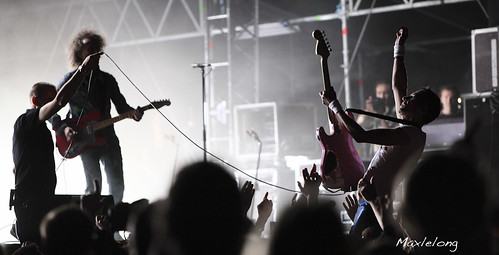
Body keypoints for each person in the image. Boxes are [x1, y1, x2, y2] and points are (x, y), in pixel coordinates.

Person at [319, 27, 441, 236]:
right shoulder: (410, 128)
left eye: (411, 98)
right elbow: (397, 85)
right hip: (369, 200)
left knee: (358, 244)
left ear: (422, 111)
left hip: (373, 203)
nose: (404, 98)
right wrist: (398, 48)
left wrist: (334, 106)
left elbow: (361, 135)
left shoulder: (409, 136)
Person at [12, 52, 102, 244]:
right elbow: (60, 101)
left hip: (41, 201)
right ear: (36, 102)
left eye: (55, 99)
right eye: (49, 100)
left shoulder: (39, 130)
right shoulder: (25, 121)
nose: (57, 105)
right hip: (31, 206)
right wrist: (83, 69)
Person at [57, 29, 143, 204]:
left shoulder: (107, 80)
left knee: (117, 185)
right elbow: (52, 110)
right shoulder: (70, 80)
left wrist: (134, 114)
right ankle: (93, 227)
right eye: (87, 48)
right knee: (93, 188)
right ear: (79, 53)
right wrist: (65, 128)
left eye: (95, 48)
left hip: (108, 138)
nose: (92, 52)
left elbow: (122, 107)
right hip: (85, 142)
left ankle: (113, 223)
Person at [356, 81, 398, 160]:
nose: (382, 96)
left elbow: (391, 135)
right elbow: (358, 124)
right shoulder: (375, 110)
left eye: (385, 93)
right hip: (375, 155)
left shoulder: (396, 111)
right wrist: (367, 111)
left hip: (392, 156)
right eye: (379, 93)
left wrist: (380, 115)